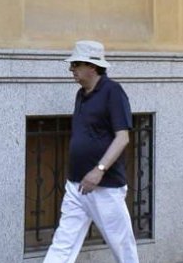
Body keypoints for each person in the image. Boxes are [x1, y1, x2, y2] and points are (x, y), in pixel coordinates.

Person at [43, 40, 139, 263]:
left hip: (105, 187)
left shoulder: (113, 92)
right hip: (76, 185)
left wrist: (99, 170)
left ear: (92, 67)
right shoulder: (81, 94)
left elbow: (122, 137)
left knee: (122, 246)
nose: (71, 70)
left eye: (76, 64)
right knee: (62, 244)